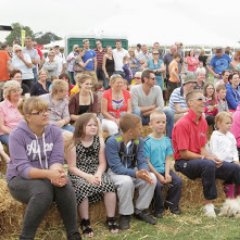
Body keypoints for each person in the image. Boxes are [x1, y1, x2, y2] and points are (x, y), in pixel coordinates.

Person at [6, 97, 81, 240]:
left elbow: (57, 159)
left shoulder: (54, 131)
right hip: (19, 179)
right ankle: (26, 237)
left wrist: (57, 174)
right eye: (39, 112)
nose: (45, 114)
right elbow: (23, 169)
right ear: (28, 117)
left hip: (46, 175)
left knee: (65, 185)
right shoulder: (17, 135)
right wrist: (50, 174)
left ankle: (73, 234)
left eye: (47, 110)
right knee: (43, 192)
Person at [173, 89, 240, 218]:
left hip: (200, 160)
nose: (204, 102)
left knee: (235, 168)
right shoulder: (182, 124)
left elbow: (202, 147)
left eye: (204, 99)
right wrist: (206, 158)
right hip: (183, 163)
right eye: (200, 99)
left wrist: (212, 157)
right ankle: (208, 204)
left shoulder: (203, 121)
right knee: (208, 165)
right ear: (190, 103)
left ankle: (234, 202)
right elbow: (184, 153)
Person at [66, 113, 118, 237]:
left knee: (109, 184)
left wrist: (99, 174)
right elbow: (72, 167)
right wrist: (87, 177)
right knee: (82, 188)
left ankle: (110, 218)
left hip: (96, 170)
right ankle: (85, 221)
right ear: (80, 127)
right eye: (89, 125)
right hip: (79, 172)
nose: (93, 127)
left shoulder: (99, 141)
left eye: (95, 125)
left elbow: (102, 163)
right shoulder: (73, 143)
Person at [105, 113, 157, 230]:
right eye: (139, 128)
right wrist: (136, 174)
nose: (141, 130)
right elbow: (116, 167)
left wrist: (144, 170)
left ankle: (140, 210)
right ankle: (125, 214)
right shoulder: (113, 141)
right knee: (126, 181)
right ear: (130, 131)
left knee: (152, 178)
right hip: (115, 174)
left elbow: (142, 160)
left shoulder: (139, 141)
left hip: (133, 171)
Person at [145, 111, 182, 218]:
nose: (161, 124)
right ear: (150, 124)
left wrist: (167, 173)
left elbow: (168, 158)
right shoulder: (147, 142)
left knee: (178, 181)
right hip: (152, 171)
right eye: (158, 122)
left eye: (163, 122)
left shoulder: (166, 140)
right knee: (158, 185)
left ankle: (171, 205)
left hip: (164, 169)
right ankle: (158, 209)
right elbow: (147, 162)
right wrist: (158, 176)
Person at [131, 69, 174, 138]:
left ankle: (169, 139)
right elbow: (135, 108)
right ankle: (138, 139)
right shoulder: (135, 89)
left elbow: (161, 106)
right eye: (153, 79)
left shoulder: (157, 88)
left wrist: (146, 112)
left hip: (153, 115)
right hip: (140, 117)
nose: (155, 80)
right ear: (145, 79)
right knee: (136, 111)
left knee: (169, 111)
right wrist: (152, 107)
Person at [210, 112, 240, 199]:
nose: (230, 125)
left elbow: (234, 150)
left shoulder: (231, 136)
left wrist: (236, 159)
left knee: (235, 169)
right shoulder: (215, 136)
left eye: (231, 123)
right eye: (227, 123)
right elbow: (213, 150)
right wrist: (218, 160)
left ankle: (236, 194)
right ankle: (231, 194)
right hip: (220, 162)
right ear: (219, 124)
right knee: (235, 170)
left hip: (231, 161)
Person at [0, 80, 23, 145]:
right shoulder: (1, 106)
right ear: (8, 93)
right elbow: (1, 126)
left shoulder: (23, 103)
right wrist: (16, 133)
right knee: (16, 143)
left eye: (18, 90)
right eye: (14, 91)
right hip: (6, 133)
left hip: (23, 131)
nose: (17, 93)